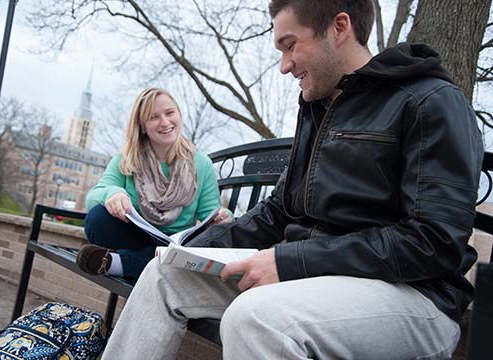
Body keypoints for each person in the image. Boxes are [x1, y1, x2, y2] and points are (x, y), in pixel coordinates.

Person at [101, 1, 484, 358]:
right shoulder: (320, 107)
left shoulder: (429, 100)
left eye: (290, 46)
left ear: (339, 27)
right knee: (165, 273)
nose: (284, 65)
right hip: (312, 278)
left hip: (416, 297)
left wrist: (290, 261)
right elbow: (278, 212)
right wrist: (190, 250)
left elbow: (433, 243)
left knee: (255, 317)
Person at [77, 88, 231, 280]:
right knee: (97, 218)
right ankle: (155, 264)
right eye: (154, 117)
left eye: (170, 113)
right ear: (142, 126)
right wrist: (113, 193)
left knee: (194, 248)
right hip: (137, 240)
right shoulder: (127, 159)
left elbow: (211, 213)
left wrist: (224, 217)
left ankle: (119, 264)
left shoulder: (201, 163)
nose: (165, 122)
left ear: (179, 115)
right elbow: (93, 196)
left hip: (177, 245)